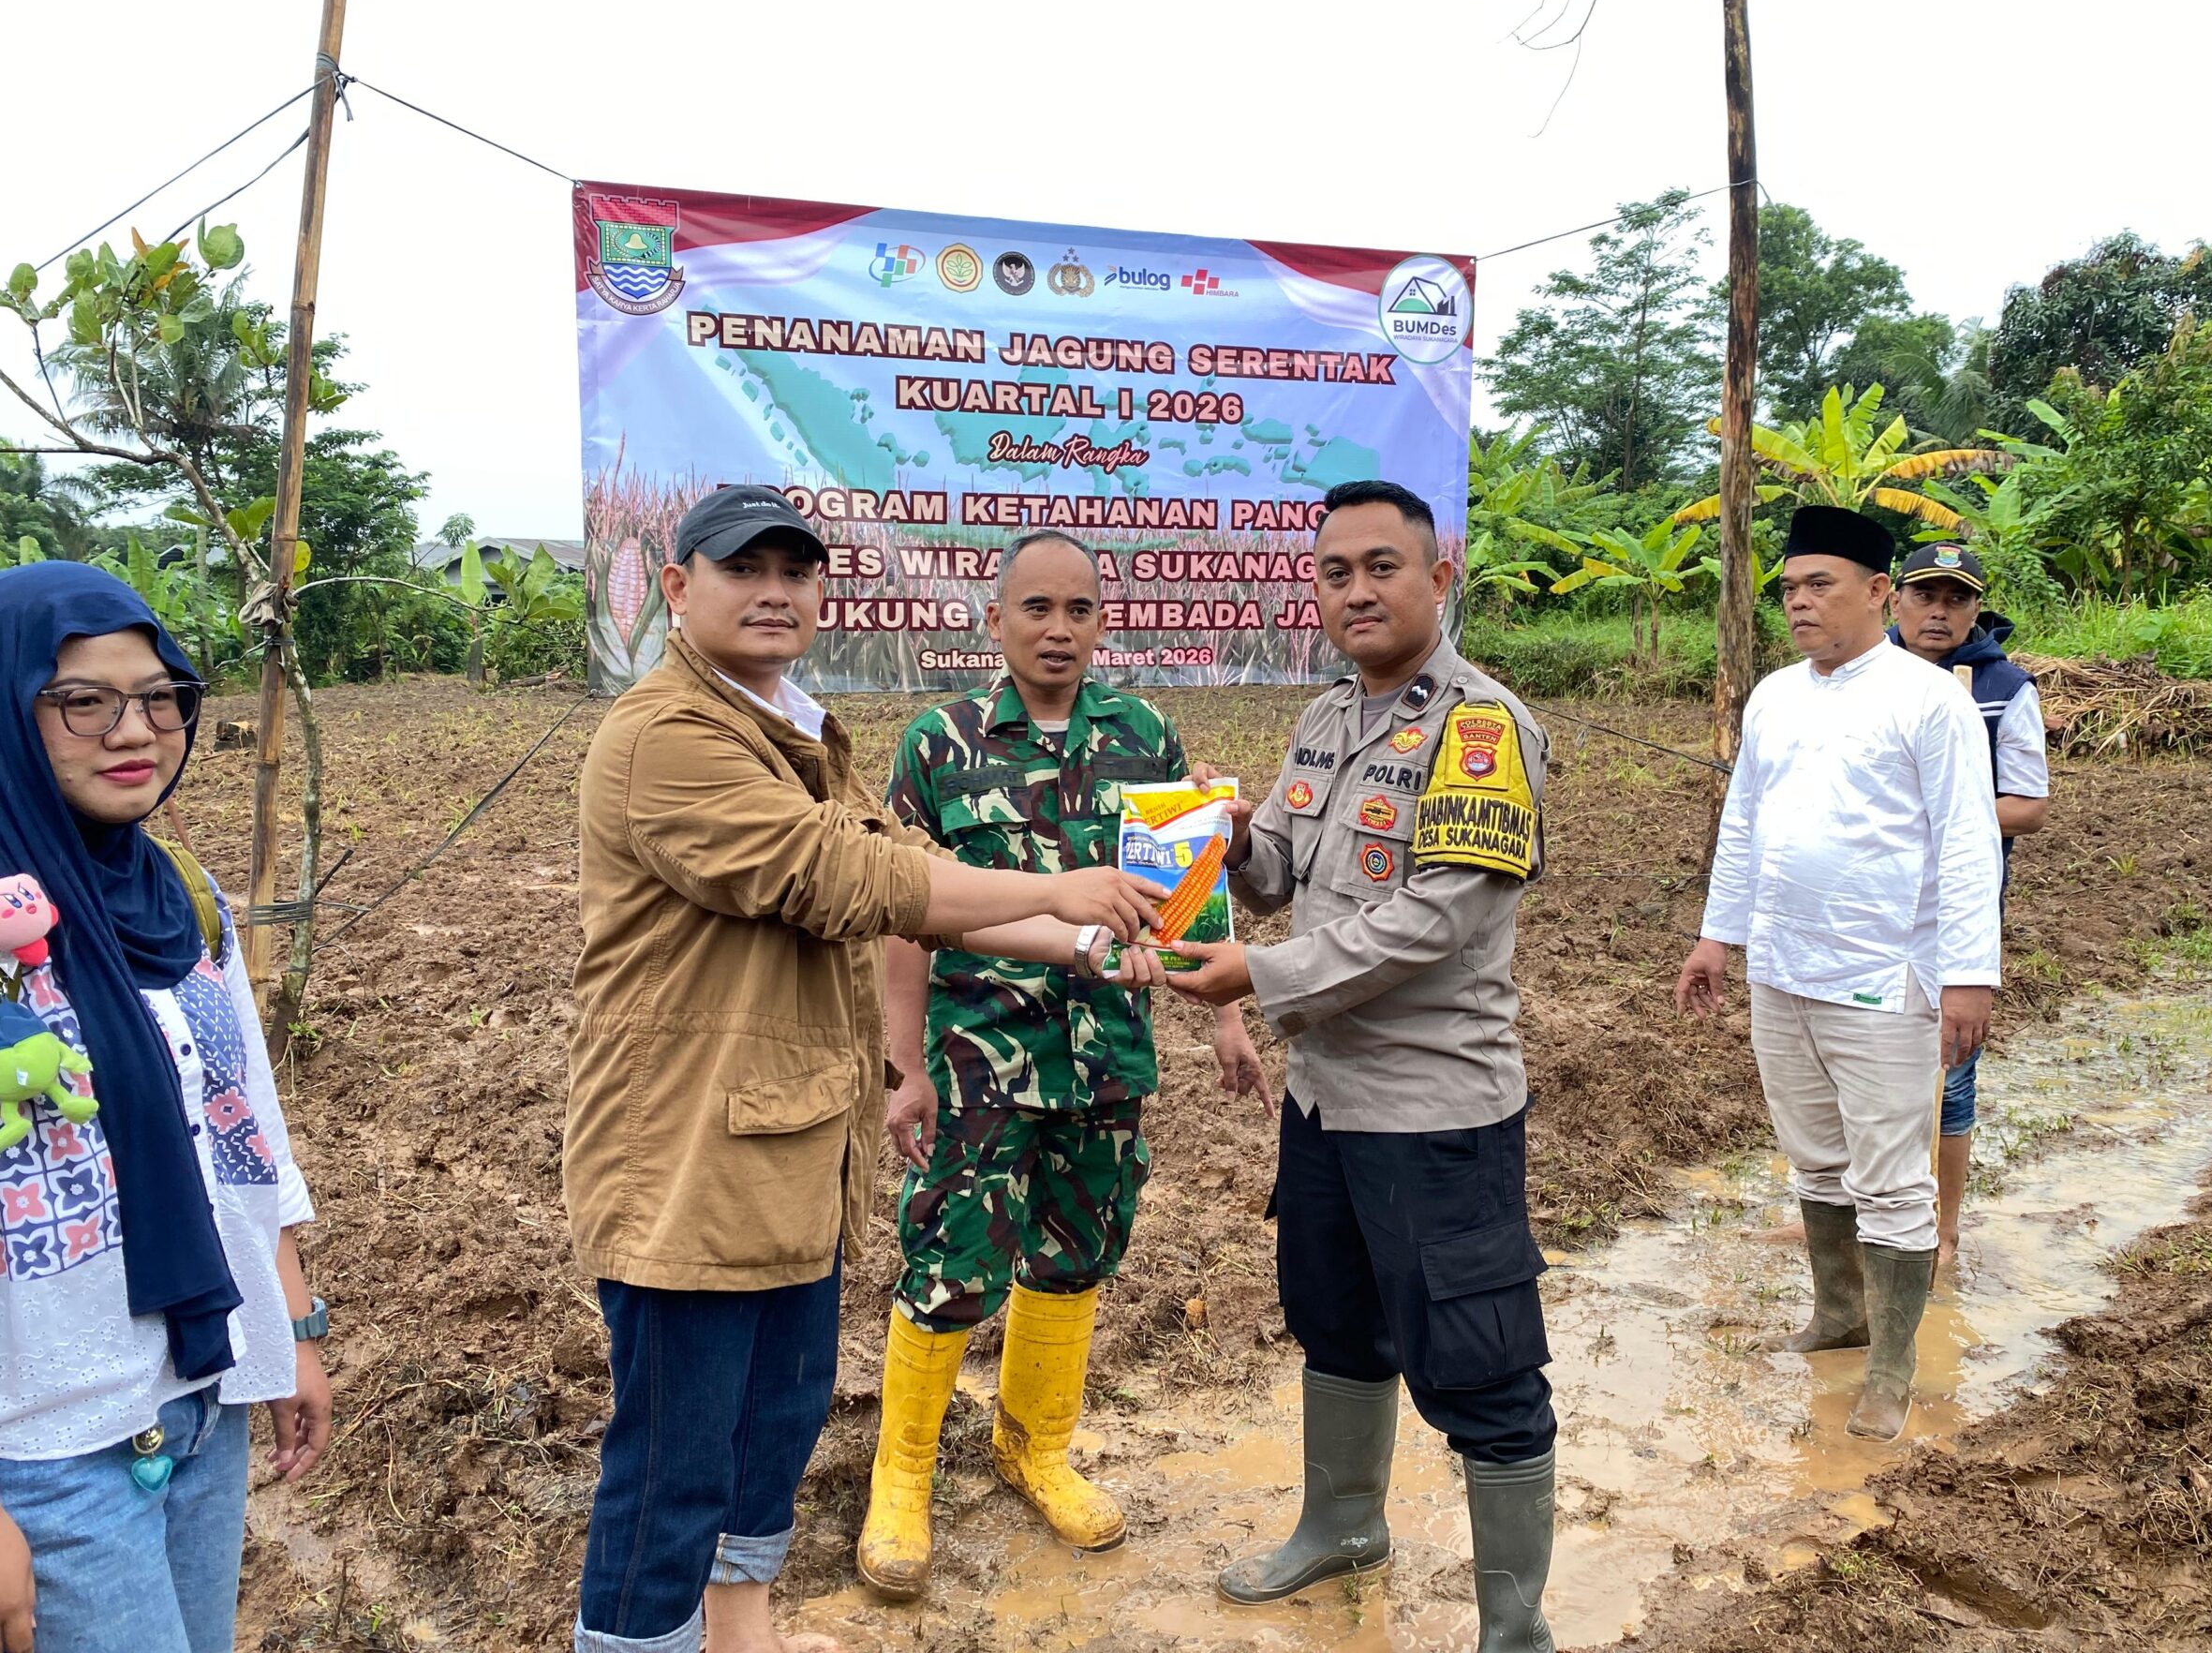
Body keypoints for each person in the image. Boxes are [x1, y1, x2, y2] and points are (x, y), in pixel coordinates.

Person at [569, 487, 1168, 1653]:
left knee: (773, 1430)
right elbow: (842, 880)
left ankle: (741, 1633)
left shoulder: (792, 731)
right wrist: (1053, 888)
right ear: (679, 589)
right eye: (746, 570)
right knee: (673, 1466)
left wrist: (1091, 940)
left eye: (798, 570)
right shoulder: (668, 737)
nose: (777, 591)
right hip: (689, 1160)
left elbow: (903, 863)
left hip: (787, 1146)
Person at [1163, 481, 1559, 1651]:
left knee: (1479, 1367)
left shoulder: (1479, 729)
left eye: (1381, 567)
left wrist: (1258, 981)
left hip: (1435, 1111)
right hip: (1325, 1103)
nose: (1355, 590)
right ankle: (1343, 1523)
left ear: (1441, 579)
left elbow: (1435, 920)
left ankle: (1513, 1626)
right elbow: (1279, 870)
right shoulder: (1328, 719)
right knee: (1336, 1324)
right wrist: (1233, 843)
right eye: (1334, 572)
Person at [856, 529, 1269, 1598]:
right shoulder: (939, 744)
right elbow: (901, 916)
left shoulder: (1143, 736)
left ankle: (1033, 1446)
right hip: (975, 1060)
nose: (1057, 629)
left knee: (1077, 1255)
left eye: (1078, 610)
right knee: (951, 1263)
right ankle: (900, 1476)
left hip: (1106, 1058)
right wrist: (903, 1064)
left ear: (1101, 622)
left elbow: (1188, 895)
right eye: (1035, 608)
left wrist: (1225, 1021)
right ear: (994, 621)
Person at [0, 564, 330, 1653]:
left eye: (160, 696)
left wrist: (292, 1331)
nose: (132, 729)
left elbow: (247, 1131)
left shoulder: (182, 895)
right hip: (46, 1449)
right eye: (82, 701)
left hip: (202, 1397)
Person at [1675, 505, 2002, 1442]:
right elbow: (1742, 826)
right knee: (1814, 1153)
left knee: (1893, 1178)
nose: (1799, 604)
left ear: (1875, 593)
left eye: (1819, 586)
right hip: (1782, 967)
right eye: (1788, 589)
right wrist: (1716, 938)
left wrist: (1968, 975)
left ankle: (1892, 1368)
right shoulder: (1774, 696)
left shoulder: (1926, 698)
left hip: (1883, 974)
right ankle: (1838, 1314)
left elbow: (1969, 845)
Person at [1887, 541, 2051, 1273]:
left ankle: (1943, 1231)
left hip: (1953, 909)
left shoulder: (2003, 688)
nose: (1938, 611)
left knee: (1948, 1071)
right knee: (1857, 1066)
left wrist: (1941, 813)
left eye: (1955, 599)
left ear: (1976, 609)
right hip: (1864, 911)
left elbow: (2028, 805)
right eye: (1926, 595)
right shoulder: (1859, 675)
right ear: (1894, 600)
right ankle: (1850, 1215)